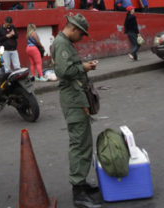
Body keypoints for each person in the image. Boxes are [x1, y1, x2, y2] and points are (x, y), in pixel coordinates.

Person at [50, 15, 101, 208]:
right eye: (81, 34)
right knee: (79, 143)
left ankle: (81, 183)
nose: (82, 37)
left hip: (77, 98)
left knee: (84, 141)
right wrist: (84, 67)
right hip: (73, 100)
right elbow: (64, 72)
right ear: (74, 29)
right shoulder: (62, 43)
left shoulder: (65, 42)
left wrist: (82, 67)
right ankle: (78, 192)